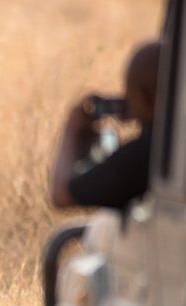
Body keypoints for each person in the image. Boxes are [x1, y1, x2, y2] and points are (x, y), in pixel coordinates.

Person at [50, 41, 161, 211]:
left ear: (143, 99)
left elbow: (61, 194)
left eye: (129, 96)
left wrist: (72, 129)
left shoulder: (144, 154)